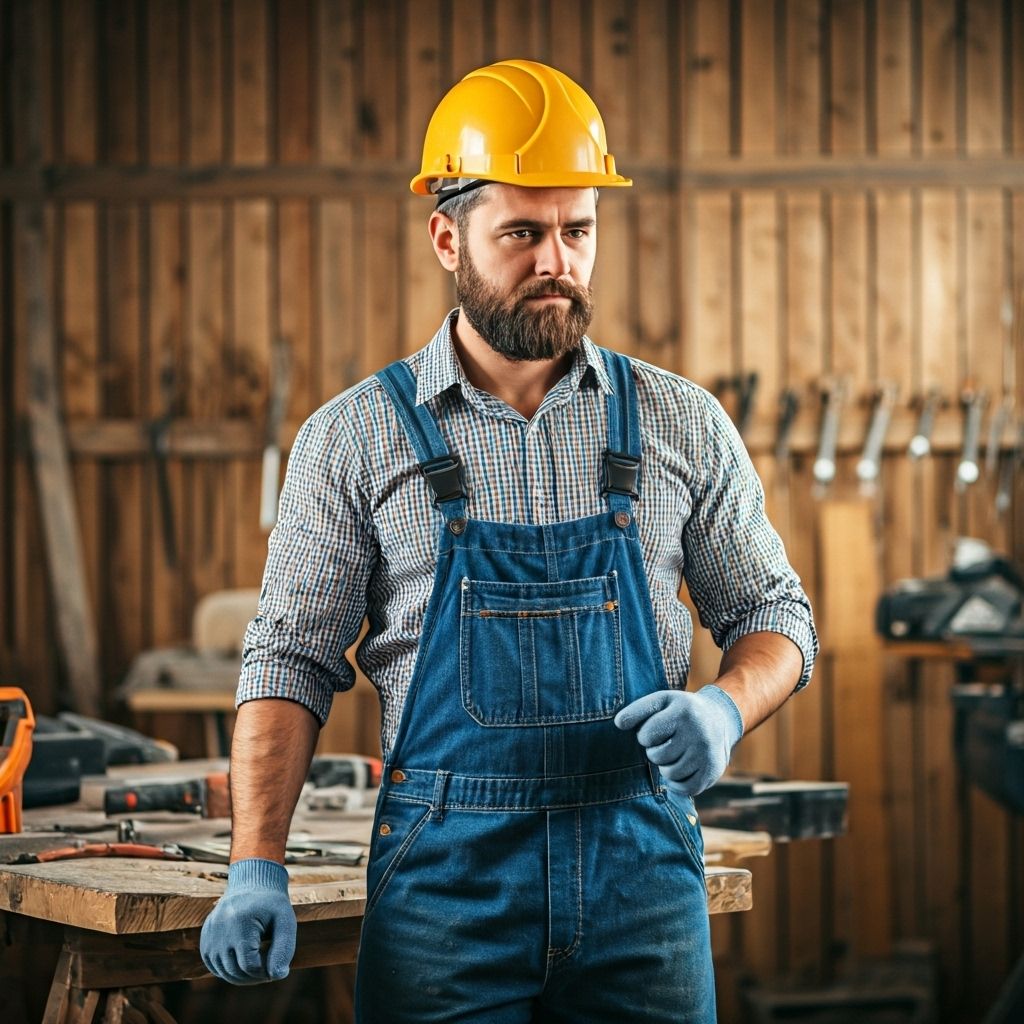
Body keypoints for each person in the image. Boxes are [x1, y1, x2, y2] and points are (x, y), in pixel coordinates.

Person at [200, 59, 817, 1023]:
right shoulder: (352, 438)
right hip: (447, 899)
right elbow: (288, 660)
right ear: (448, 237)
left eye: (578, 231)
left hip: (641, 885)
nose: (555, 261)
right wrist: (255, 865)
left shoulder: (681, 422)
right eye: (522, 233)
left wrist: (726, 709)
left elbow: (776, 616)